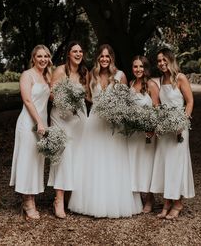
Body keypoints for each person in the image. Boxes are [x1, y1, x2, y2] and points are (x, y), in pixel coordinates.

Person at [69, 44, 143, 218]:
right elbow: (87, 95)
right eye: (101, 56)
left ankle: (115, 201)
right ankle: (92, 202)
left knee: (114, 159)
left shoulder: (120, 75)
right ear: (97, 58)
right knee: (93, 159)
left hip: (113, 124)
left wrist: (114, 109)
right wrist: (98, 103)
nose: (104, 59)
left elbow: (126, 99)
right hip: (94, 121)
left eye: (107, 56)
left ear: (111, 58)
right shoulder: (91, 74)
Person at [150, 48, 195, 219]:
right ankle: (167, 202)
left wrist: (182, 122)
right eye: (159, 61)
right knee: (166, 164)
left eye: (164, 60)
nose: (161, 63)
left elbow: (190, 101)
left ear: (171, 60)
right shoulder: (161, 80)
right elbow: (160, 105)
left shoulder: (180, 77)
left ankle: (178, 202)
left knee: (177, 164)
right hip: (165, 129)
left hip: (179, 128)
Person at [10, 44, 52, 220]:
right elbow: (27, 100)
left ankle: (32, 196)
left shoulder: (46, 77)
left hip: (41, 124)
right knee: (27, 160)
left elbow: (50, 98)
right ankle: (27, 202)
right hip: (28, 123)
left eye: (46, 56)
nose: (43, 59)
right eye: (39, 56)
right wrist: (40, 122)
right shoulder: (27, 75)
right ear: (33, 58)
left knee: (37, 161)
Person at [47, 41, 89, 218]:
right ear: (68, 54)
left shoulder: (84, 73)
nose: (78, 54)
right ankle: (58, 199)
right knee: (63, 155)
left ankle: (71, 197)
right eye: (75, 51)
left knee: (77, 156)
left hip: (78, 118)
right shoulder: (60, 71)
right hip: (61, 117)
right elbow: (51, 94)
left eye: (80, 51)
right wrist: (66, 101)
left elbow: (87, 94)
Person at [128, 55, 160, 213]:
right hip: (133, 133)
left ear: (146, 68)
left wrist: (151, 128)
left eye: (141, 66)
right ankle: (136, 196)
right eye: (135, 66)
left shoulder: (152, 85)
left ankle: (149, 198)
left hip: (147, 133)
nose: (138, 69)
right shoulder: (131, 83)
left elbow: (157, 109)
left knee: (147, 163)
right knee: (134, 162)